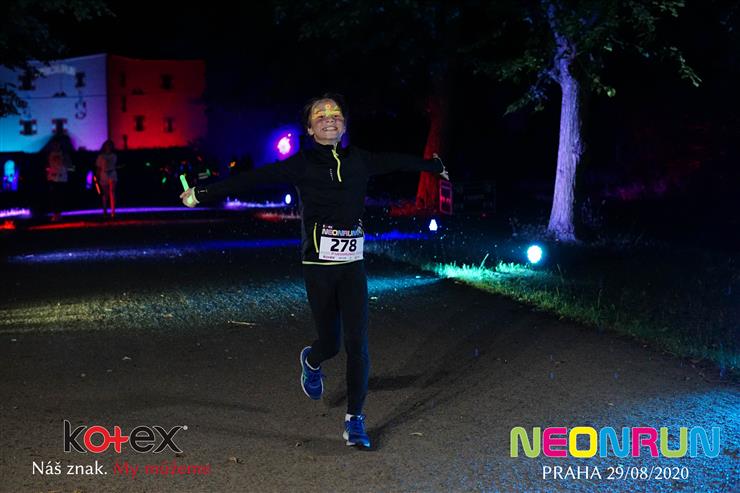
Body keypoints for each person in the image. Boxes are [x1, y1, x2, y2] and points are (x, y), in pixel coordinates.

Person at [180, 94, 449, 449]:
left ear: (344, 124)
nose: (329, 118)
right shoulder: (302, 164)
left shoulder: (361, 160)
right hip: (318, 267)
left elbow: (397, 161)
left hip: (352, 266)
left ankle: (355, 420)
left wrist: (433, 166)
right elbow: (253, 179)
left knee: (357, 343)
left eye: (335, 113)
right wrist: (202, 192)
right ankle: (311, 358)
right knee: (331, 344)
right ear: (309, 128)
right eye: (320, 115)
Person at [95, 140, 118, 218]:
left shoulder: (114, 156)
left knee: (112, 192)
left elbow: (115, 164)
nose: (108, 147)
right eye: (107, 146)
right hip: (104, 174)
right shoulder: (101, 156)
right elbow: (98, 168)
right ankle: (105, 211)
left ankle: (113, 212)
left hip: (112, 173)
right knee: (105, 194)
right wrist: (97, 176)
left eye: (110, 146)